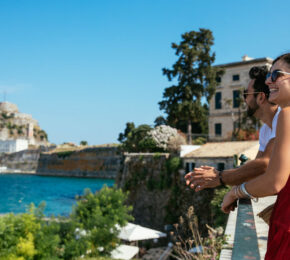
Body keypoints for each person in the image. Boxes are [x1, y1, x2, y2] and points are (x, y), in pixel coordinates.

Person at [221, 53, 290, 259]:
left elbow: (273, 181)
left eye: (276, 75)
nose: (269, 81)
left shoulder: (287, 114)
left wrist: (235, 192)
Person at [185, 66, 280, 191]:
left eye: (246, 94)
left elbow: (264, 164)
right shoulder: (265, 130)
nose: (244, 99)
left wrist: (219, 177)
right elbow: (256, 170)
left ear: (261, 97)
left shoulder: (281, 118)